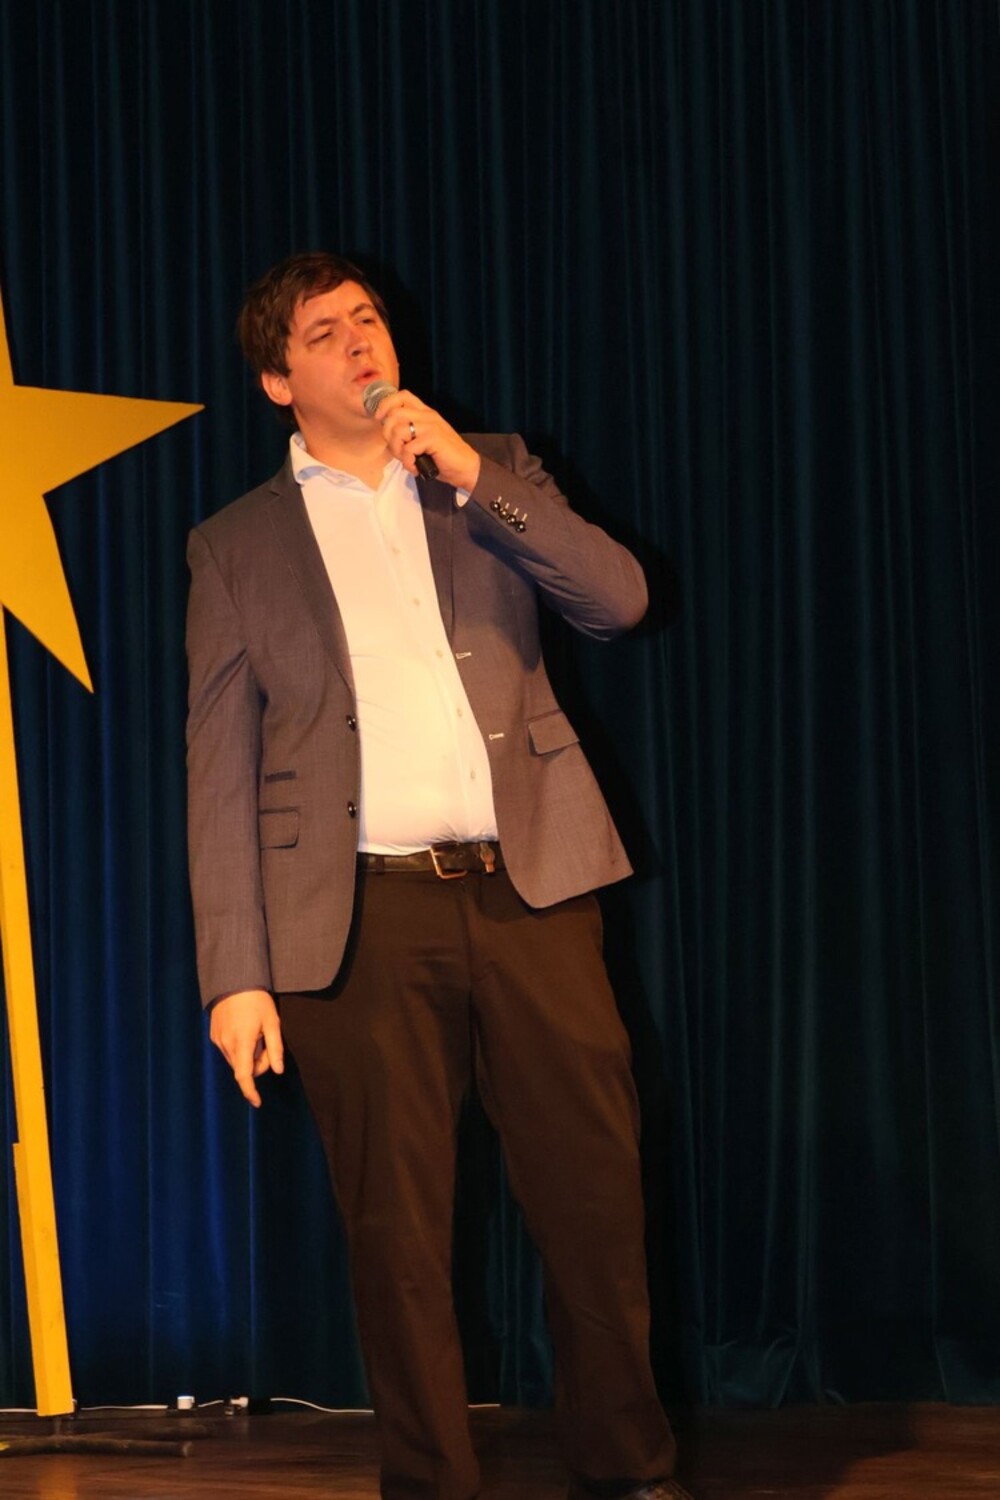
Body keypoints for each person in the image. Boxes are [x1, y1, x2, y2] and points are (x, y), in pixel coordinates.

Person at [185, 251, 691, 1500]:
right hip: (358, 920)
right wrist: (235, 976)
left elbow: (620, 601)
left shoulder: (489, 469)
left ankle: (629, 1469)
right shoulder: (236, 544)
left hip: (532, 892)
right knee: (397, 1235)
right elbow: (217, 768)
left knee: (593, 1203)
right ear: (276, 379)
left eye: (367, 318)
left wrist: (473, 477)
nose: (360, 340)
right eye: (324, 332)